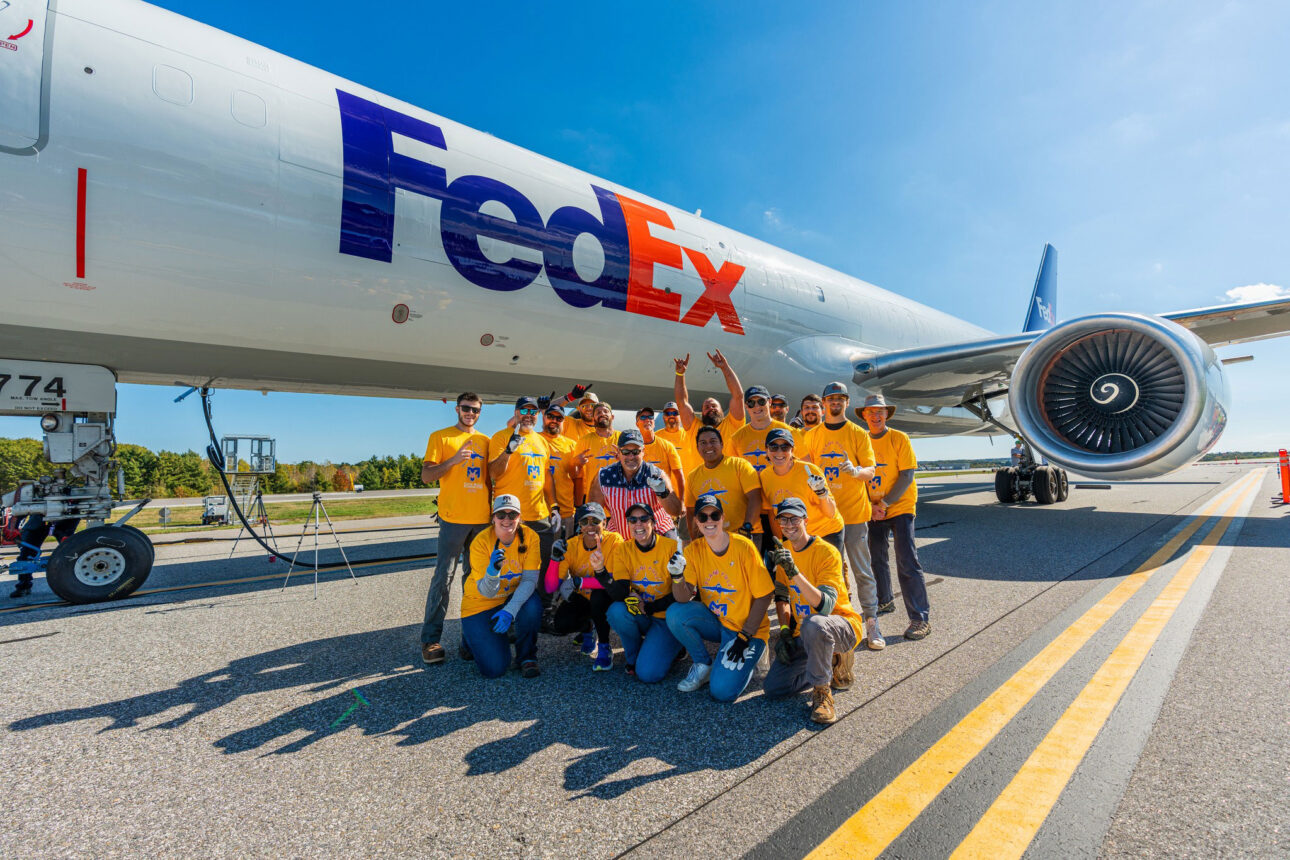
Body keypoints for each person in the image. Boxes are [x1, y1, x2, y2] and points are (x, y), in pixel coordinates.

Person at [762, 497, 864, 725]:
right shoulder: (784, 550)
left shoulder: (826, 552)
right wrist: (786, 630)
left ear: (806, 520)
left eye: (794, 519)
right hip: (805, 633)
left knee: (815, 623)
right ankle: (827, 663)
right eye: (783, 519)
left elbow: (825, 606)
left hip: (840, 625)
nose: (788, 524)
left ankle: (822, 692)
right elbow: (781, 596)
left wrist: (794, 571)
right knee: (774, 688)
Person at [667, 493, 775, 701]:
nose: (709, 521)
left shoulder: (743, 547)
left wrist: (745, 636)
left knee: (721, 692)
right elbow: (682, 598)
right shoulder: (693, 551)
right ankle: (702, 664)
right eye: (703, 517)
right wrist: (677, 577)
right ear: (696, 522)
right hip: (718, 621)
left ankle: (754, 654)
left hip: (747, 630)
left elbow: (764, 595)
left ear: (722, 518)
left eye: (714, 515)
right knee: (675, 613)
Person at [804, 382, 884, 650]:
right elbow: (804, 469)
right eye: (831, 399)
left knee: (862, 570)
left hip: (852, 514)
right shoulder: (812, 435)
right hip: (824, 517)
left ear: (847, 403)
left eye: (840, 398)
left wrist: (855, 471)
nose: (835, 403)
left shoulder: (858, 434)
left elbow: (870, 471)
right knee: (827, 572)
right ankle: (832, 621)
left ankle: (872, 622)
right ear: (824, 403)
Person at [419, 392, 492, 664]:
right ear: (457, 409)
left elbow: (492, 479)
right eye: (465, 408)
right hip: (452, 519)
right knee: (443, 578)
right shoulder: (441, 437)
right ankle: (430, 639)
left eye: (475, 410)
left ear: (479, 412)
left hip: (481, 520)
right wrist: (453, 461)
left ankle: (470, 638)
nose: (470, 413)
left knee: (475, 582)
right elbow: (427, 476)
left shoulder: (486, 441)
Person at [859, 394, 930, 640]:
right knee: (876, 558)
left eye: (880, 412)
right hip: (874, 508)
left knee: (907, 561)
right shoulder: (862, 441)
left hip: (899, 506)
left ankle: (920, 618)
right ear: (864, 416)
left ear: (887, 414)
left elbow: (907, 476)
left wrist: (885, 503)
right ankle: (885, 600)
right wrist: (871, 505)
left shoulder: (899, 438)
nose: (876, 416)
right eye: (871, 412)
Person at [462, 494, 543, 678]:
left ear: (520, 517)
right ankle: (468, 638)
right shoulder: (481, 543)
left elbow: (530, 580)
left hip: (511, 596)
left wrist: (510, 611)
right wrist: (492, 572)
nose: (507, 520)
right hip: (481, 601)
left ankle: (526, 657)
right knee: (494, 669)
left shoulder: (530, 537)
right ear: (493, 518)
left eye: (512, 515)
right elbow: (487, 591)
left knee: (532, 606)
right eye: (501, 515)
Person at [603, 503, 685, 679]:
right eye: (632, 520)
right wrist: (600, 572)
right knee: (617, 611)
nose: (638, 524)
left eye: (643, 519)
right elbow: (620, 593)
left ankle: (676, 643)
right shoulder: (623, 550)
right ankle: (634, 656)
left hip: (666, 617)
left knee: (648, 675)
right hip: (643, 613)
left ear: (654, 523)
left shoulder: (672, 547)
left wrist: (650, 608)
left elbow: (683, 595)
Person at [546, 502, 624, 668]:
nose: (590, 526)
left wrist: (580, 581)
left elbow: (613, 580)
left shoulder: (614, 541)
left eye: (595, 521)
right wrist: (554, 560)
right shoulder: (571, 545)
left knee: (598, 596)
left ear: (605, 523)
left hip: (606, 597)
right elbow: (550, 587)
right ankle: (588, 628)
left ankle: (604, 647)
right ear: (579, 525)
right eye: (584, 522)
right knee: (561, 624)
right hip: (582, 598)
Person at [488, 396, 558, 565]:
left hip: (539, 515)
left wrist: (554, 507)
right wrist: (508, 452)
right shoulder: (501, 437)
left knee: (544, 564)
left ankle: (542, 592)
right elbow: (493, 473)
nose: (529, 415)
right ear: (516, 413)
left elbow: (546, 477)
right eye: (524, 410)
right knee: (512, 565)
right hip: (510, 516)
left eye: (533, 411)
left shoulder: (542, 441)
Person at [759, 428, 844, 552]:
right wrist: (780, 544)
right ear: (766, 450)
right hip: (796, 535)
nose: (779, 452)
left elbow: (830, 513)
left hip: (826, 532)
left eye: (785, 447)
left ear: (792, 450)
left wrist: (821, 493)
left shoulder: (809, 471)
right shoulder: (765, 476)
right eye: (773, 447)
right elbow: (773, 513)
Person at [589, 429, 682, 538]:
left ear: (643, 451)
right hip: (620, 537)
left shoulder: (656, 474)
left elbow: (676, 511)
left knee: (672, 547)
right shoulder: (604, 477)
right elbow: (593, 514)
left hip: (656, 534)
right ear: (618, 452)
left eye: (636, 452)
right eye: (625, 452)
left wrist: (664, 493)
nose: (631, 456)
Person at [683, 425, 761, 540]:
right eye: (703, 443)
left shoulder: (740, 465)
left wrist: (747, 527)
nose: (708, 445)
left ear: (722, 444)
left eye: (713, 441)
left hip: (746, 534)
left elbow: (755, 498)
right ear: (698, 448)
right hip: (711, 538)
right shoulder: (692, 477)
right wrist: (695, 539)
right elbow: (690, 511)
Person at [672, 348, 746, 465]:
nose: (710, 408)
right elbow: (681, 402)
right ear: (701, 414)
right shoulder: (695, 429)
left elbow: (738, 396)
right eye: (706, 407)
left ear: (722, 410)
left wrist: (724, 367)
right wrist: (680, 374)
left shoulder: (733, 424)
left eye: (714, 406)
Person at [7, 514, 79, 598]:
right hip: (39, 520)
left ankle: (74, 585)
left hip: (65, 520)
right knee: (26, 554)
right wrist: (12, 528)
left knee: (70, 554)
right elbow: (20, 508)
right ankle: (23, 585)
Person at [571, 401, 620, 504]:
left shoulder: (622, 438)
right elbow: (577, 475)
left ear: (612, 416)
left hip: (619, 499)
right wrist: (576, 463)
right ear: (593, 419)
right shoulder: (584, 441)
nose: (602, 414)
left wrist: (625, 459)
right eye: (598, 412)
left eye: (605, 411)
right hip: (594, 500)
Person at [540, 404, 578, 539]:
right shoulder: (534, 438)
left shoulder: (572, 445)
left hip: (565, 512)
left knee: (563, 556)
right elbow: (511, 425)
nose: (554, 420)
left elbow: (576, 477)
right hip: (539, 512)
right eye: (550, 416)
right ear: (543, 417)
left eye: (559, 418)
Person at [637, 407, 686, 507]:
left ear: (654, 422)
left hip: (664, 502)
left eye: (650, 417)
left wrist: (681, 502)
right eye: (643, 417)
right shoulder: (634, 447)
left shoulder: (667, 446)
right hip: (641, 502)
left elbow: (679, 475)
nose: (647, 419)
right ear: (637, 424)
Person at [654, 401, 695, 478]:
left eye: (675, 413)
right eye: (668, 414)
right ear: (663, 417)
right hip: (664, 488)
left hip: (687, 488)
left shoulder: (691, 435)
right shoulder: (655, 437)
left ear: (680, 415)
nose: (671, 416)